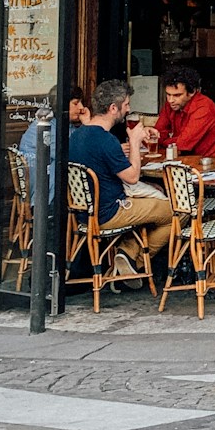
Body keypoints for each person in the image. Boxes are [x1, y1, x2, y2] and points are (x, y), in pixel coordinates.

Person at [70, 78, 173, 281]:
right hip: (110, 213)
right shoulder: (106, 140)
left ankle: (127, 253)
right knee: (178, 212)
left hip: (84, 214)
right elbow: (133, 177)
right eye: (126, 105)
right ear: (113, 108)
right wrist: (134, 141)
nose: (128, 109)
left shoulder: (78, 135)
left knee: (153, 193)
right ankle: (135, 262)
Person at [140, 64, 215, 161]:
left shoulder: (203, 107)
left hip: (212, 163)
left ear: (192, 92)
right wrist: (148, 134)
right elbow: (158, 135)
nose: (170, 100)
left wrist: (164, 142)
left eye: (177, 95)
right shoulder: (171, 104)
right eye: (168, 94)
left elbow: (183, 144)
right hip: (185, 159)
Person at [18, 84, 87, 191]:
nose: (81, 107)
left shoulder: (61, 123)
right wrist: (87, 126)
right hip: (42, 189)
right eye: (76, 103)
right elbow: (75, 154)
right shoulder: (48, 127)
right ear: (62, 105)